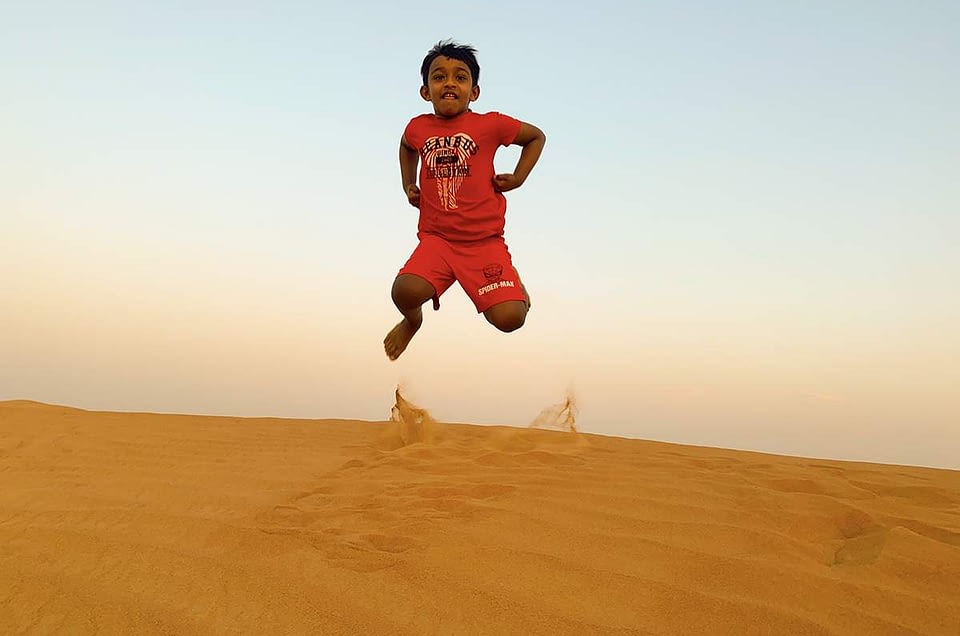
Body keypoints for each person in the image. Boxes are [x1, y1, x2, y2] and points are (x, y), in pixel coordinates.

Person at [384, 39, 546, 361]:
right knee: (403, 292)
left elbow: (536, 136)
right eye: (439, 76)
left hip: (482, 244)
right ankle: (412, 322)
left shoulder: (491, 125)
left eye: (460, 77)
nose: (449, 83)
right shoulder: (417, 128)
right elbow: (406, 146)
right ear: (425, 91)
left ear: (474, 92)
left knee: (510, 319)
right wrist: (408, 183)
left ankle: (516, 290)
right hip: (438, 241)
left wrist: (518, 177)